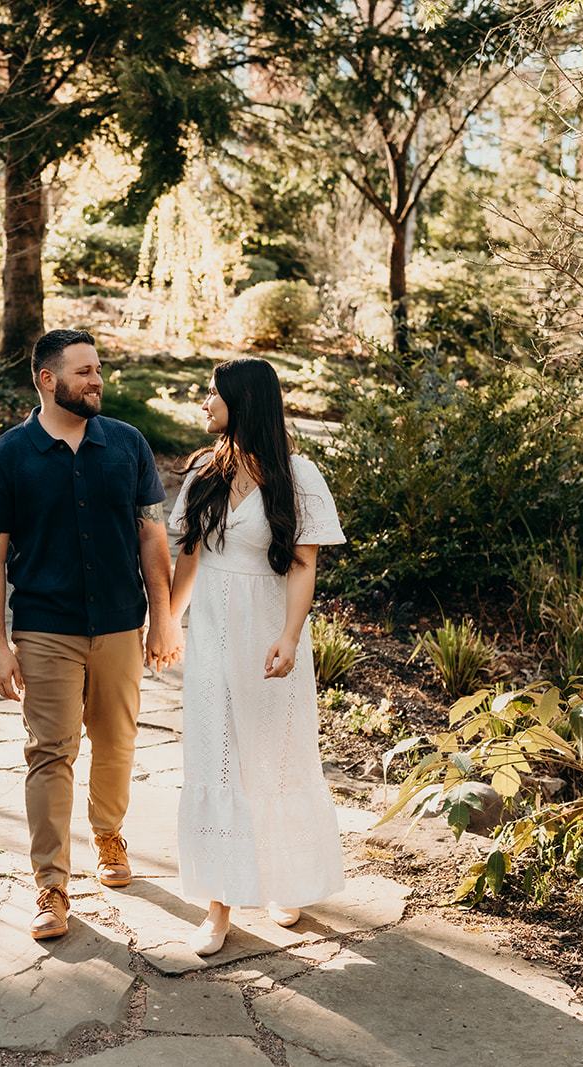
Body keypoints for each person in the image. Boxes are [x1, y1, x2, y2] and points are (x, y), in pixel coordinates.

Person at [0, 328, 184, 941]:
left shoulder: (127, 445)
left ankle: (110, 837)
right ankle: (51, 885)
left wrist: (164, 616)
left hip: (120, 622)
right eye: (85, 372)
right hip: (45, 630)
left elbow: (151, 536)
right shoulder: (7, 457)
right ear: (48, 379)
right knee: (50, 753)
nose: (97, 381)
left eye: (97, 369)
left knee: (117, 743)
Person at [167, 356, 346, 956]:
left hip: (269, 633)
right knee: (217, 758)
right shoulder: (203, 475)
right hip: (213, 634)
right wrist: (166, 621)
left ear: (242, 402)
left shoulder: (299, 477)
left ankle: (281, 880)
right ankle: (217, 907)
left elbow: (302, 565)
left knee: (274, 756)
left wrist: (292, 636)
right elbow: (187, 560)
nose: (204, 404)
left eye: (211, 394)